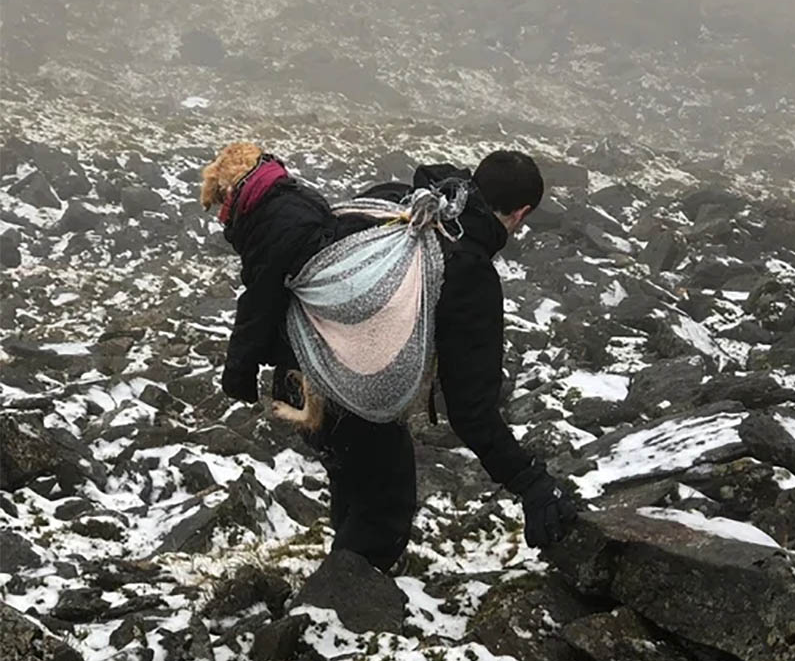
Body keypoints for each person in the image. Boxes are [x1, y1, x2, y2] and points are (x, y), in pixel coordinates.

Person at [203, 143, 578, 572]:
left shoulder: (400, 196)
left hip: (300, 365)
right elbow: (471, 410)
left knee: (357, 479)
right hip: (347, 384)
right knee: (384, 508)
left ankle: (337, 582)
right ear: (521, 213)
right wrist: (530, 482)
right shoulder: (468, 271)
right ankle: (338, 614)